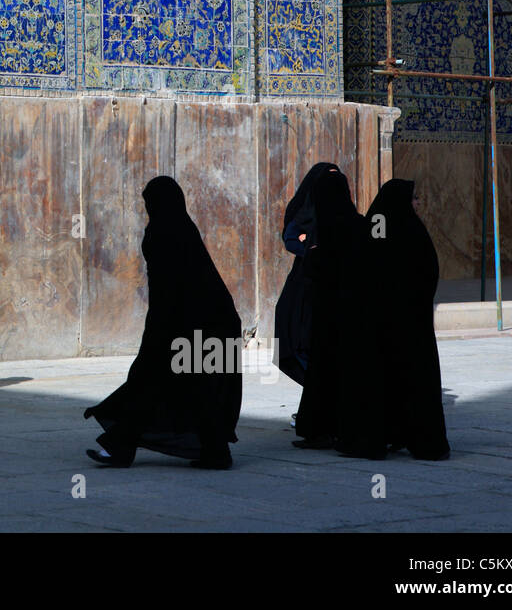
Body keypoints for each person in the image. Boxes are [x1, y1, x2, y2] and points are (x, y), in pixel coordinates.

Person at [84, 176, 242, 470]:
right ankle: (213, 452)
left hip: (192, 325)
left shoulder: (161, 233)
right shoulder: (183, 228)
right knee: (191, 387)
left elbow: (166, 291)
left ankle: (123, 445)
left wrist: (155, 336)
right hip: (214, 320)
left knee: (155, 382)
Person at [343, 179, 449, 460]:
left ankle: (387, 435)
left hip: (391, 322)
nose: (417, 203)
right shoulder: (402, 231)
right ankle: (411, 437)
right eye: (414, 198)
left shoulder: (401, 229)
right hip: (405, 324)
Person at [292, 169, 365, 449]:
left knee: (324, 369)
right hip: (353, 314)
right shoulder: (359, 225)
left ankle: (320, 429)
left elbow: (319, 270)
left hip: (328, 314)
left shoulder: (325, 231)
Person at [273, 162, 340, 387]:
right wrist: (312, 246)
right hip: (307, 285)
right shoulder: (305, 212)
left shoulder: (346, 216)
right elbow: (291, 238)